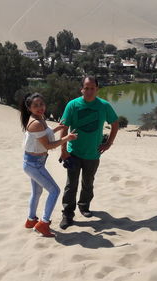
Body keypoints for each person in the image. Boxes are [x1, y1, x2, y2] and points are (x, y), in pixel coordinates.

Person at [59, 76, 119, 230]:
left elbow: (115, 124)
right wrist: (63, 150)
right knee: (71, 185)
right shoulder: (72, 105)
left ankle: (84, 206)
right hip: (74, 153)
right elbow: (64, 127)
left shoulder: (104, 106)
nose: (89, 91)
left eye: (92, 88)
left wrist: (109, 143)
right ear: (82, 89)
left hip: (93, 153)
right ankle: (67, 214)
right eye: (86, 88)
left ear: (97, 89)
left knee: (88, 182)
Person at [20, 92, 78, 237]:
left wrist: (57, 129)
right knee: (55, 191)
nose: (40, 107)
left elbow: (45, 134)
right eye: (36, 105)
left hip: (32, 163)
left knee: (37, 192)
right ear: (29, 108)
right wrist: (67, 138)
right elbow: (49, 145)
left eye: (41, 104)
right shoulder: (36, 123)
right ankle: (44, 223)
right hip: (34, 165)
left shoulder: (39, 118)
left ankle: (31, 220)